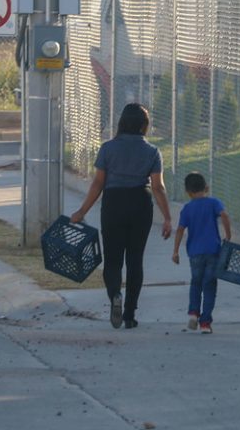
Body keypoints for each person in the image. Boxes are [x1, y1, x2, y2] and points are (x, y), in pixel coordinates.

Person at [71, 103, 172, 329]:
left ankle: (115, 294)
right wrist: (167, 217)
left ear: (122, 123)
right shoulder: (152, 152)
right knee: (135, 260)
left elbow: (98, 183)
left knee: (113, 259)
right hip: (140, 204)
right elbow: (158, 187)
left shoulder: (108, 148)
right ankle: (129, 314)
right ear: (144, 126)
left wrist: (81, 212)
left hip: (113, 203)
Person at [172, 172, 231, 334]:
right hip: (213, 251)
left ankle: (193, 313)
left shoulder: (187, 208)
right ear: (206, 187)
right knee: (210, 285)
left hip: (195, 253)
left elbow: (179, 230)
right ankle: (205, 323)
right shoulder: (213, 203)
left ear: (188, 192)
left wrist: (175, 251)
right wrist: (228, 235)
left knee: (196, 282)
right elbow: (224, 215)